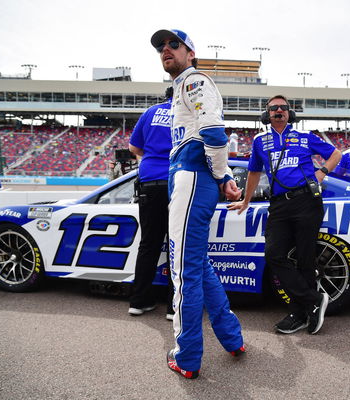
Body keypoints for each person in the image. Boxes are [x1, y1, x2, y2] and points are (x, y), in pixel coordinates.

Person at [151, 28, 244, 379]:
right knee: (199, 267)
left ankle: (186, 356)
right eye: (161, 47)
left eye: (174, 44)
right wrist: (222, 176)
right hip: (193, 179)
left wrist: (222, 177)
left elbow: (214, 134)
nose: (165, 50)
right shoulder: (182, 88)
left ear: (191, 53)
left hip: (191, 179)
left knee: (182, 272)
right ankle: (232, 338)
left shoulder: (193, 81)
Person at [228, 95, 341, 335]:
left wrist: (320, 173)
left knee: (305, 259)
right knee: (274, 254)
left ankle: (301, 314)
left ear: (290, 113)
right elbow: (254, 173)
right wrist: (246, 200)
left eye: (283, 107)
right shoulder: (259, 141)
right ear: (266, 113)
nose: (278, 110)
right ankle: (313, 299)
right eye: (273, 108)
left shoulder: (305, 137)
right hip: (278, 205)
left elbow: (336, 155)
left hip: (307, 201)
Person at [128, 86, 174, 320]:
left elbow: (134, 148)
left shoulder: (151, 112)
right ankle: (173, 307)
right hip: (177, 182)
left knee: (148, 244)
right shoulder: (188, 112)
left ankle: (138, 301)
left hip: (149, 183)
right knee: (177, 246)